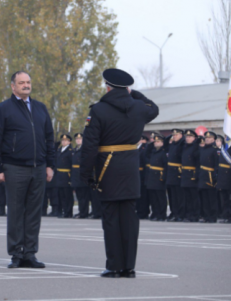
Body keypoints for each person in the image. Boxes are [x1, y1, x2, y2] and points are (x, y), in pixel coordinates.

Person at [80, 68, 159, 278]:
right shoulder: (139, 107)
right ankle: (129, 267)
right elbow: (154, 108)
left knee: (111, 219)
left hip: (108, 168)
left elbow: (89, 146)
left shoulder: (98, 110)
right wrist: (135, 95)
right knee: (130, 220)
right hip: (131, 168)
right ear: (127, 88)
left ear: (107, 87)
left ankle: (114, 266)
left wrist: (85, 173)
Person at [0, 71, 55, 269]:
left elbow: (49, 139)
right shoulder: (2, 109)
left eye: (28, 82)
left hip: (39, 168)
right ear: (13, 86)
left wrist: (50, 165)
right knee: (16, 212)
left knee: (34, 213)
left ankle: (30, 253)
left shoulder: (40, 108)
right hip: (14, 167)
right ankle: (16, 253)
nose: (26, 85)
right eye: (21, 82)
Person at [145, 135, 168, 222]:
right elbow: (146, 153)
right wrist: (151, 143)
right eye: (155, 142)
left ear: (162, 143)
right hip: (151, 177)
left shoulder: (163, 152)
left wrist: (164, 177)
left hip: (159, 177)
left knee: (160, 197)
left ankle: (162, 214)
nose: (156, 143)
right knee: (153, 198)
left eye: (158, 142)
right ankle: (155, 213)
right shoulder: (153, 152)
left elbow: (166, 166)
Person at [198, 131, 219, 223]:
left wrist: (215, 175)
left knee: (212, 198)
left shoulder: (215, 150)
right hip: (203, 175)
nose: (207, 139)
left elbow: (217, 164)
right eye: (206, 138)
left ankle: (212, 216)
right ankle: (206, 216)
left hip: (210, 176)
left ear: (214, 139)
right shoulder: (203, 149)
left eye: (210, 138)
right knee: (205, 198)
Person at [216, 135, 231, 224]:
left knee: (230, 198)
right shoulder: (224, 148)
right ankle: (225, 215)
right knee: (224, 198)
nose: (226, 138)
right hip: (222, 176)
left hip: (229, 176)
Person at [181, 130, 200, 222]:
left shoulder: (196, 147)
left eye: (190, 137)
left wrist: (196, 174)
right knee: (187, 197)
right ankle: (188, 214)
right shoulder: (184, 147)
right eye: (186, 137)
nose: (187, 138)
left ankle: (195, 215)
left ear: (194, 138)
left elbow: (197, 162)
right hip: (185, 174)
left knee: (194, 197)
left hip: (192, 174)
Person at [166, 129, 185, 222]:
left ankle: (180, 214)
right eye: (173, 135)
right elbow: (165, 142)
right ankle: (174, 212)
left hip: (178, 172)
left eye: (176, 135)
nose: (174, 137)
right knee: (172, 195)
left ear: (181, 135)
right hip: (171, 173)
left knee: (179, 196)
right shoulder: (173, 144)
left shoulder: (182, 144)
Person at [71, 133, 91, 218]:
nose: (78, 140)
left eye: (80, 139)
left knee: (84, 197)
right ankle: (81, 211)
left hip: (82, 175)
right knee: (79, 196)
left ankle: (84, 213)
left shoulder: (85, 149)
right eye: (77, 139)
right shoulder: (75, 149)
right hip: (76, 176)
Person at [56, 134, 74, 218]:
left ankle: (68, 212)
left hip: (67, 175)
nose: (64, 142)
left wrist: (71, 177)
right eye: (62, 140)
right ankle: (62, 211)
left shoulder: (70, 151)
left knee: (67, 195)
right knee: (61, 195)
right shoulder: (59, 150)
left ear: (69, 142)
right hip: (59, 175)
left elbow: (72, 165)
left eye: (66, 140)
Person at [136, 135, 149, 219]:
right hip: (136, 173)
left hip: (141, 173)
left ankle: (143, 212)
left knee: (143, 195)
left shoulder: (144, 148)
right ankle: (138, 210)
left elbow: (145, 162)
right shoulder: (137, 148)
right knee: (137, 194)